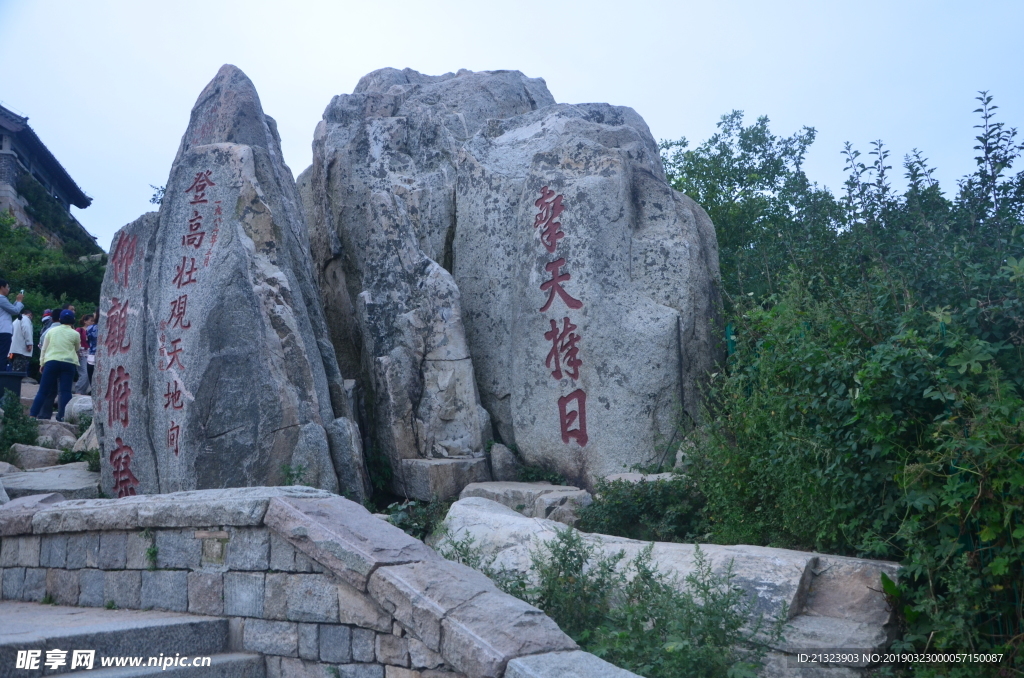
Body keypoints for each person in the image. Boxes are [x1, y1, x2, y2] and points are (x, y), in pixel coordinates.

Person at [31, 309, 80, 422]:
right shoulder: (75, 333)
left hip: (52, 361)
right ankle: (63, 416)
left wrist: (42, 363)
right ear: (73, 320)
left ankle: (33, 415)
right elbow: (77, 348)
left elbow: (44, 349)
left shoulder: (51, 331)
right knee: (66, 391)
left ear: (59, 319)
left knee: (43, 391)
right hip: (68, 363)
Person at [0, 278, 25, 372]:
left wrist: (16, 303)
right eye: (7, 287)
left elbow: (10, 309)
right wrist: (19, 301)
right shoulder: (1, 298)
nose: (8, 289)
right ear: (2, 287)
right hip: (3, 331)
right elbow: (15, 311)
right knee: (2, 354)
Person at [73, 314, 92, 395]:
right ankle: (79, 391)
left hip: (90, 353)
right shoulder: (79, 330)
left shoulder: (93, 330)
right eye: (91, 320)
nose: (92, 322)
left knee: (89, 374)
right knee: (84, 373)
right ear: (85, 321)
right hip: (81, 353)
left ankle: (82, 391)